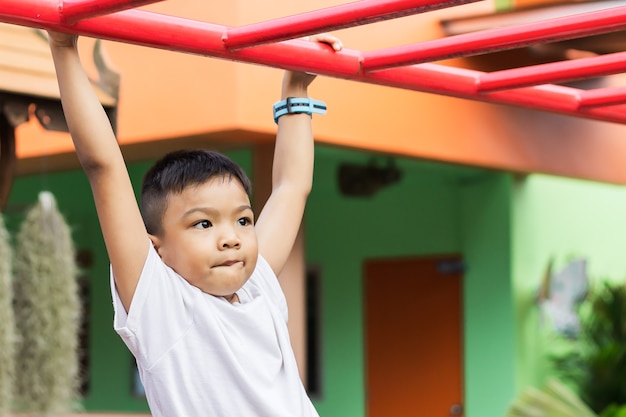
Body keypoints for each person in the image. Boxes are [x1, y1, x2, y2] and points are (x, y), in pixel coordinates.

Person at [47, 29, 342, 417]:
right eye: (204, 224)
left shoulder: (258, 287)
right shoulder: (163, 306)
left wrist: (296, 85)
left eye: (243, 220)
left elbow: (291, 187)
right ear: (158, 249)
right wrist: (64, 47)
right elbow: (103, 167)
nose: (231, 238)